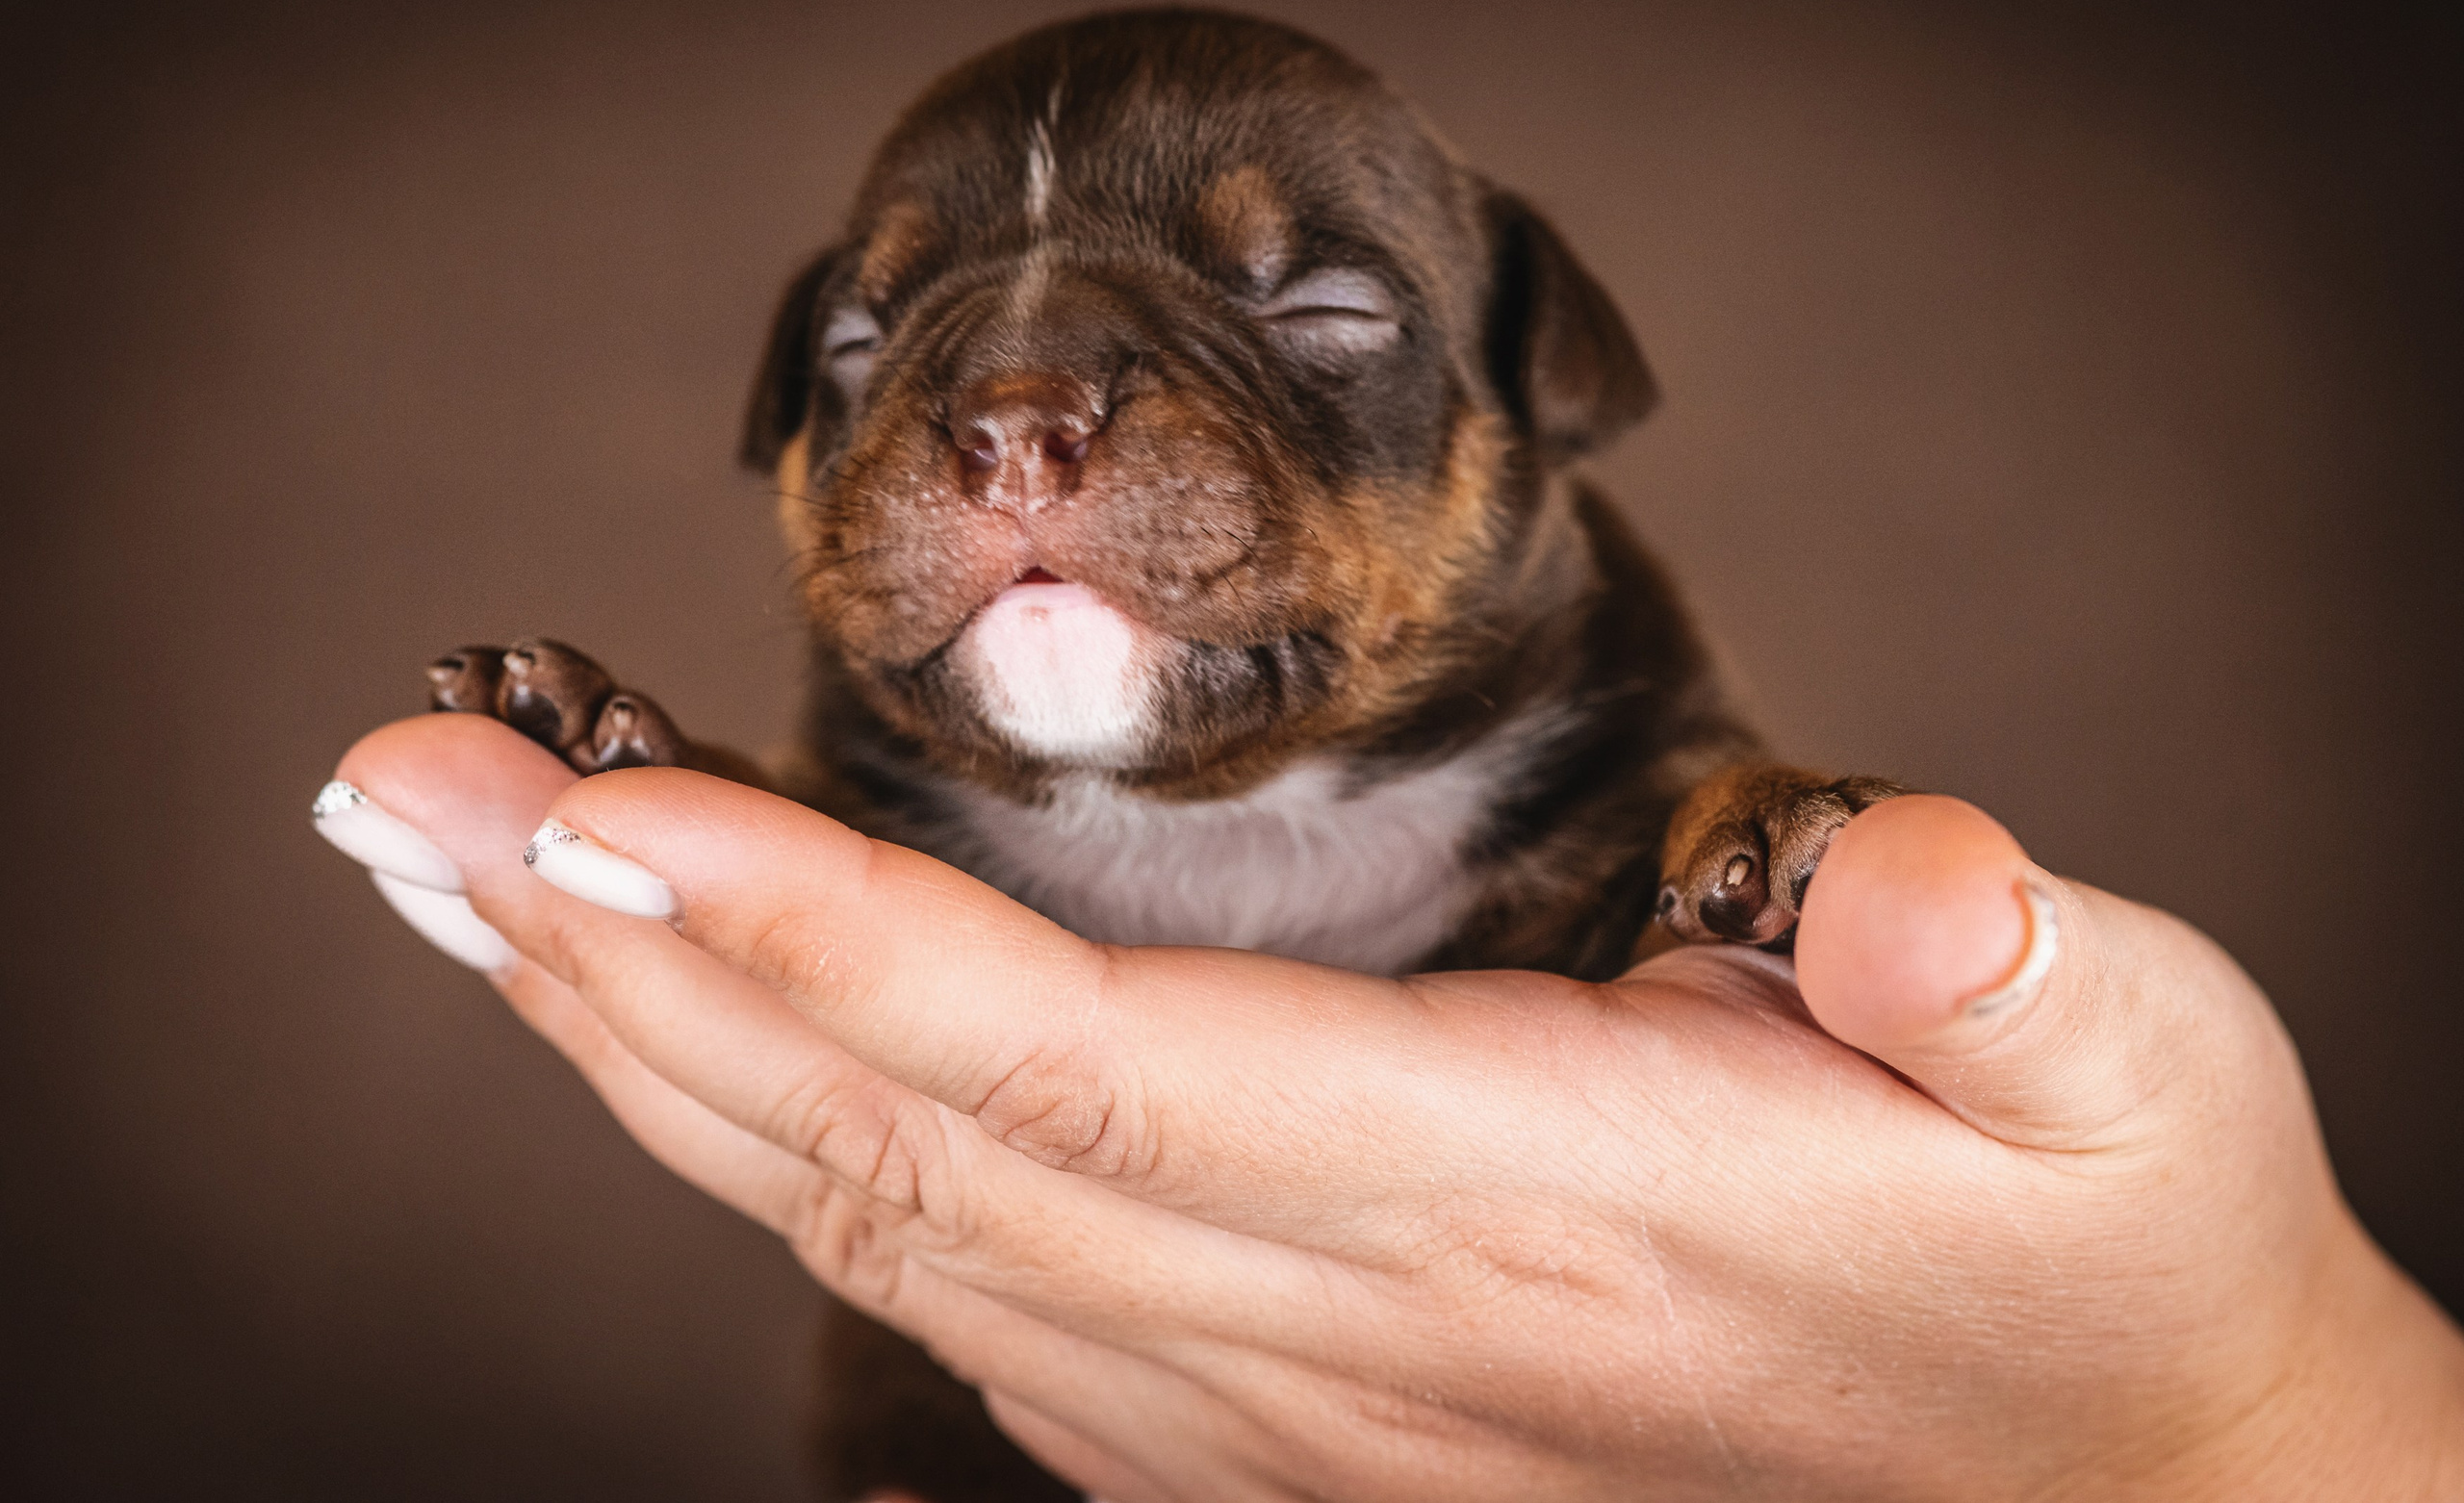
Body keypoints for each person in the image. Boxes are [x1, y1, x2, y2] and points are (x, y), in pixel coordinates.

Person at [316, 711, 2464, 1499]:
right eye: (877, 344)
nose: (1012, 430)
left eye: (1316, 316)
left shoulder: (1606, 736)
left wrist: (2254, 1430)